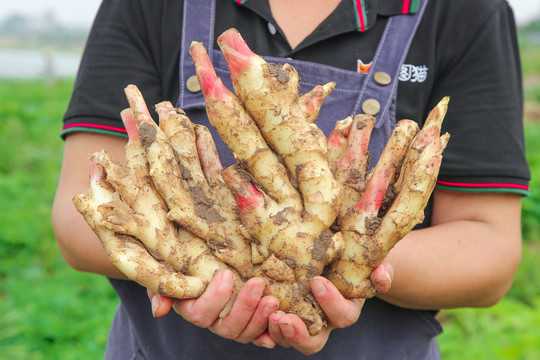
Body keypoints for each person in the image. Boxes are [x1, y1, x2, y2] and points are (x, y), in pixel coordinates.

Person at [51, 0, 530, 358]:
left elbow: (490, 248)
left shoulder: (466, 10)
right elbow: (84, 211)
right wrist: (209, 277)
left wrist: (342, 268)